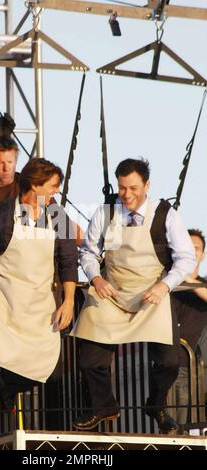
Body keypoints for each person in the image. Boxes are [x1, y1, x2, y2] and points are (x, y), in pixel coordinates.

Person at [71, 158, 196, 433]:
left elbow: (186, 259)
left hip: (152, 293)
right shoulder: (105, 213)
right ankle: (104, 405)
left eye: (133, 188)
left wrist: (164, 286)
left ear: (147, 185)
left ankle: (156, 404)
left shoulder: (166, 214)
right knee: (89, 360)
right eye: (122, 187)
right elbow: (88, 253)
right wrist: (96, 277)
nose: (127, 194)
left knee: (170, 361)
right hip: (112, 292)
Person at [0, 158, 78, 408]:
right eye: (53, 186)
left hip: (38, 305)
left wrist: (69, 301)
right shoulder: (0, 214)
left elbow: (68, 261)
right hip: (0, 298)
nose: (56, 191)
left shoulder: (57, 216)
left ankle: (10, 387)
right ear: (35, 185)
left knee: (49, 369)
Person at [172, 229, 207, 425]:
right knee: (178, 426)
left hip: (201, 366)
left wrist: (189, 279)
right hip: (176, 365)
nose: (193, 252)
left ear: (203, 254)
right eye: (189, 248)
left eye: (197, 248)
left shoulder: (202, 284)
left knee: (199, 425)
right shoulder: (169, 285)